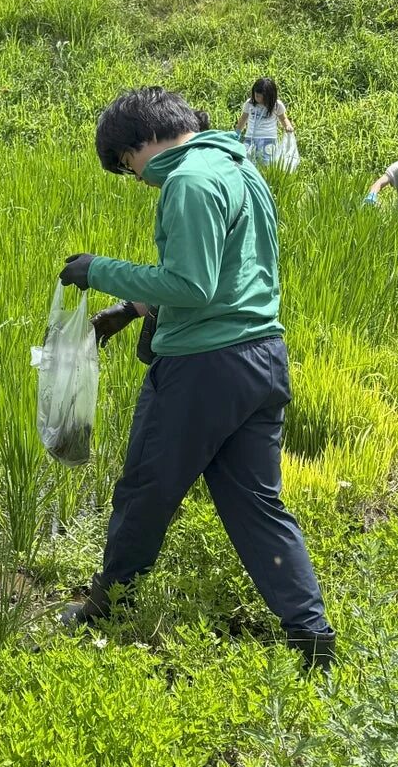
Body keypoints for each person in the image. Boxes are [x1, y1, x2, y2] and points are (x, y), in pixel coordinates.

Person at [59, 87, 335, 671]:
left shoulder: (186, 181)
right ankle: (311, 636)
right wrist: (132, 311)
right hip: (261, 358)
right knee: (258, 504)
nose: (135, 178)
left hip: (201, 369)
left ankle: (107, 606)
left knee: (144, 491)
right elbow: (230, 274)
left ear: (138, 145)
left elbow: (192, 286)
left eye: (125, 165)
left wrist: (99, 272)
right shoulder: (238, 167)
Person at [236, 77, 293, 166]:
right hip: (250, 138)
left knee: (267, 164)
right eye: (256, 95)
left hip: (268, 139)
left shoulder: (276, 105)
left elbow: (283, 118)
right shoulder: (250, 104)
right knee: (246, 163)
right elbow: (243, 118)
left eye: (259, 96)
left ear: (268, 96)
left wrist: (287, 126)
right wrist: (237, 133)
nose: (257, 98)